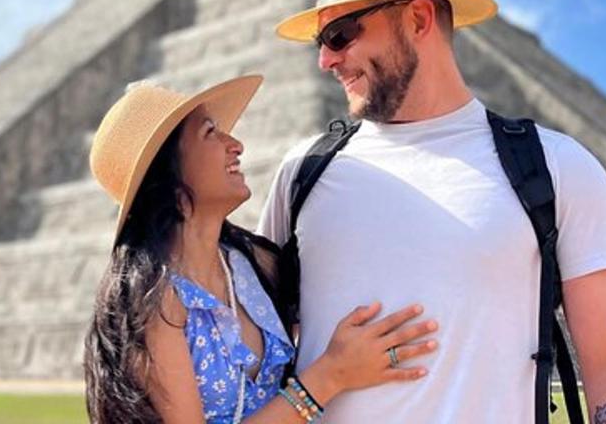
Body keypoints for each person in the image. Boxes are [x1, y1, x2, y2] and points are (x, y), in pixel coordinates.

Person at [259, 0, 606, 424]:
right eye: (320, 43)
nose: (326, 59)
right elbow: (258, 349)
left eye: (339, 35)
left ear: (418, 18)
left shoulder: (555, 166)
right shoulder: (302, 174)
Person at [83, 75, 439, 423]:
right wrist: (330, 375)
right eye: (210, 132)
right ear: (169, 174)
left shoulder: (255, 266)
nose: (235, 144)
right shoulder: (155, 302)